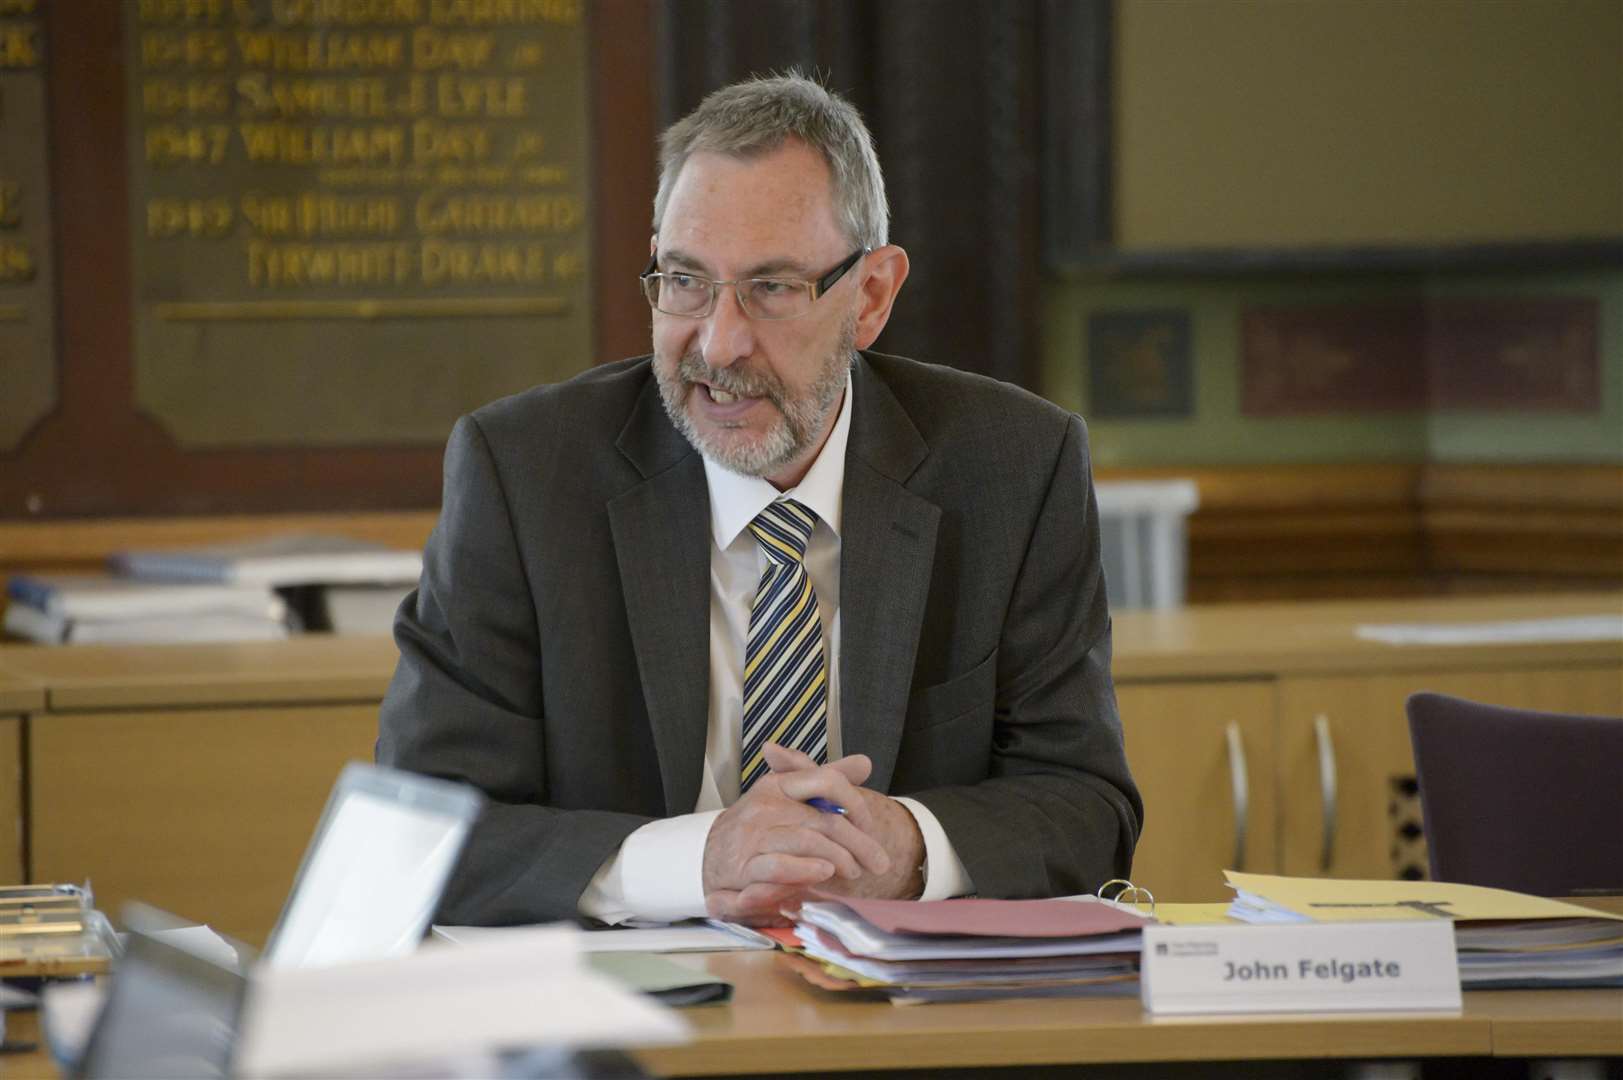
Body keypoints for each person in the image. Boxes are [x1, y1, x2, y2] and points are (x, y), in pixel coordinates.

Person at [377, 73, 1141, 927]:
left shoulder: (1012, 466)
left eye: (772, 288)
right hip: (621, 1026)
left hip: (908, 1024)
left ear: (872, 297)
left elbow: (1087, 809)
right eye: (685, 280)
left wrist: (911, 847)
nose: (718, 342)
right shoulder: (523, 473)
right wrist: (695, 860)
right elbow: (414, 831)